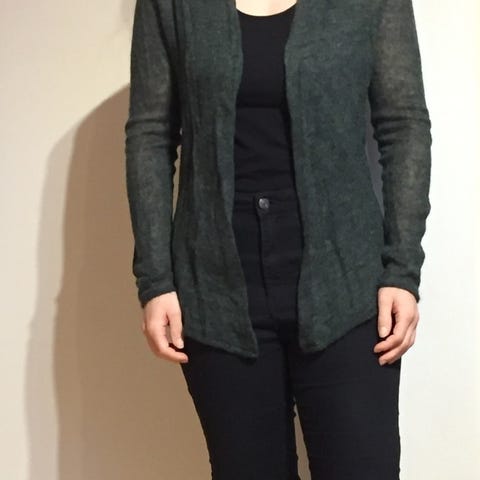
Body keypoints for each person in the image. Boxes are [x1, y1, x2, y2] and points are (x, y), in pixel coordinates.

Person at [124, 0, 432, 478]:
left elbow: (404, 124)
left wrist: (402, 270)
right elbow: (151, 134)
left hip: (347, 288)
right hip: (218, 292)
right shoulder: (171, 6)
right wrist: (156, 280)